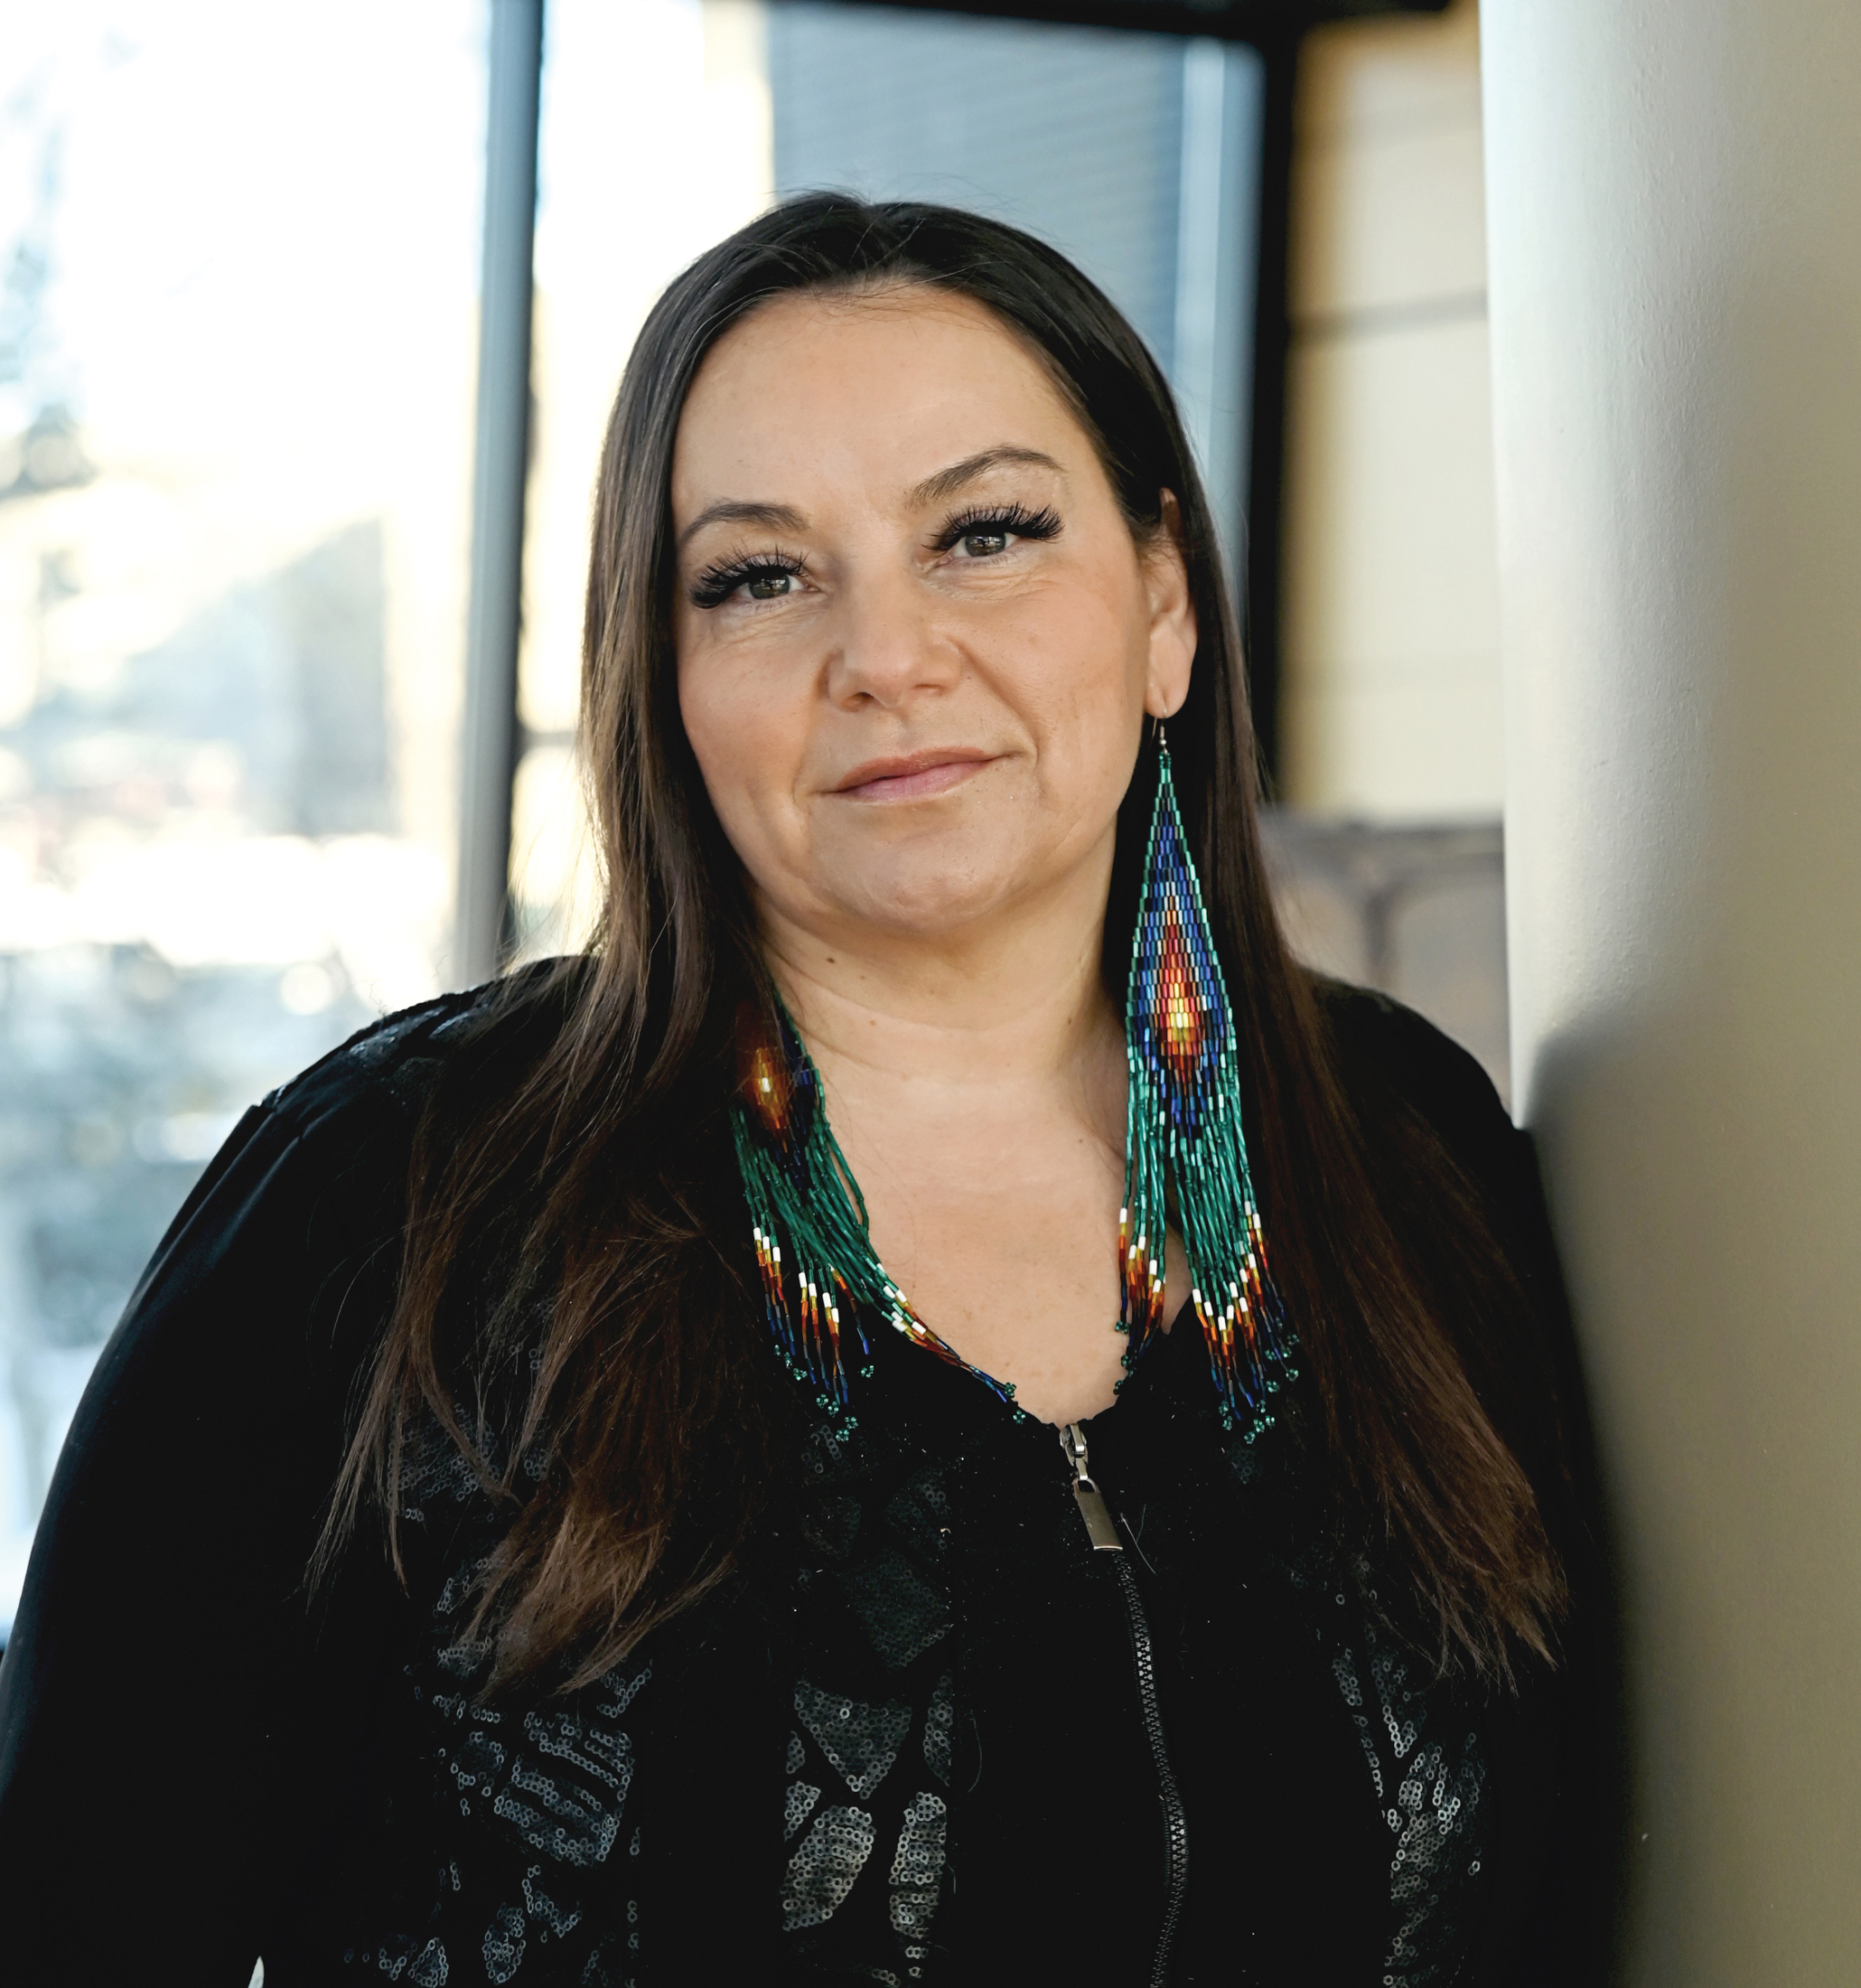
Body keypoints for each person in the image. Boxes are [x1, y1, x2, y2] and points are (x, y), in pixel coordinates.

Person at [0, 196, 1616, 1985]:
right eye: (760, 577)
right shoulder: (385, 1201)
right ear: (664, 670)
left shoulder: (1408, 1148)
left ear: (1164, 606)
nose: (888, 655)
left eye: (985, 534)